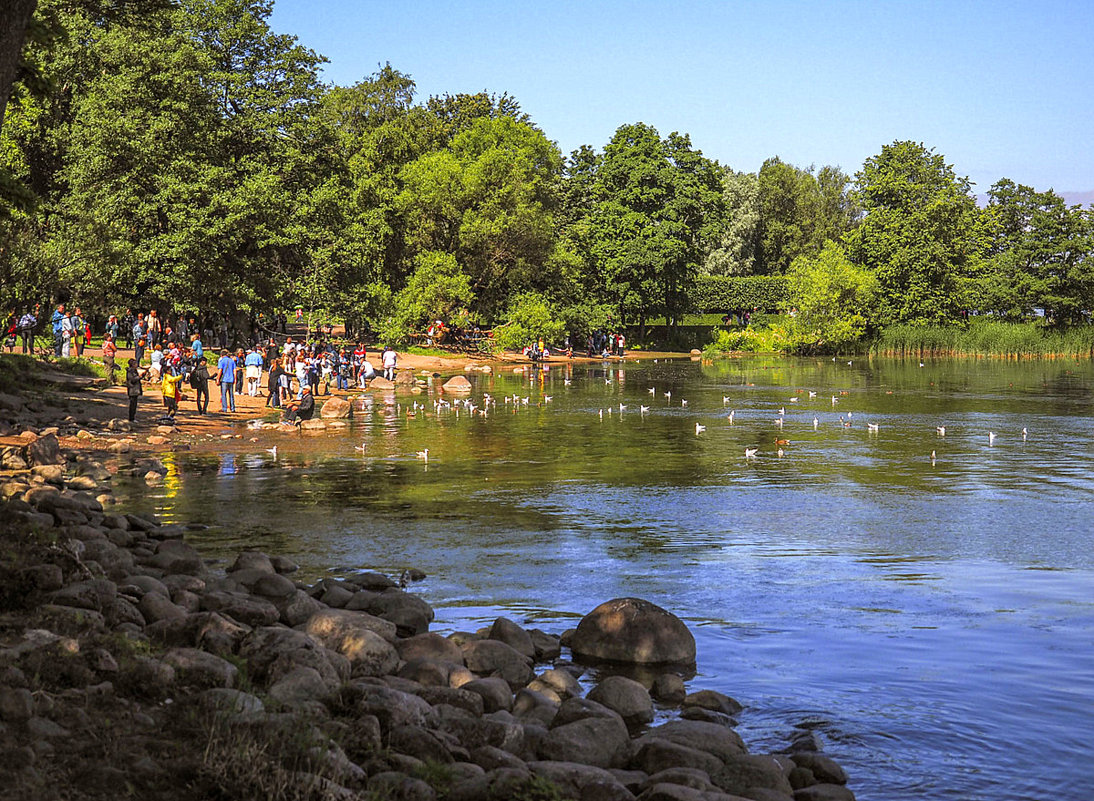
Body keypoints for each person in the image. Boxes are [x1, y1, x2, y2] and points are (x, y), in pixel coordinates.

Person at [215, 349, 237, 413]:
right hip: (231, 379)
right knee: (231, 394)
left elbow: (220, 370)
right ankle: (232, 408)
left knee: (223, 394)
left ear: (221, 355)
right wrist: (235, 379)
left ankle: (224, 408)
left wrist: (218, 379)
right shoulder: (232, 361)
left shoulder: (222, 361)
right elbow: (234, 371)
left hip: (224, 379)